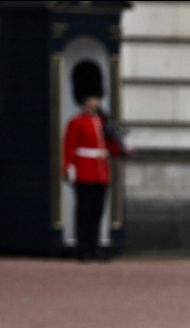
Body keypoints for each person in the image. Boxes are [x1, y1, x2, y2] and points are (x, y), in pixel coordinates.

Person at [63, 60, 126, 261]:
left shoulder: (103, 121)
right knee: (84, 212)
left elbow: (110, 147)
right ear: (83, 100)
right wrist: (68, 168)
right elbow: (69, 147)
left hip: (101, 172)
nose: (95, 102)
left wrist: (122, 146)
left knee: (98, 213)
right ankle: (83, 249)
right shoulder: (76, 122)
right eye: (91, 98)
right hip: (84, 171)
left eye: (96, 98)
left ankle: (95, 246)